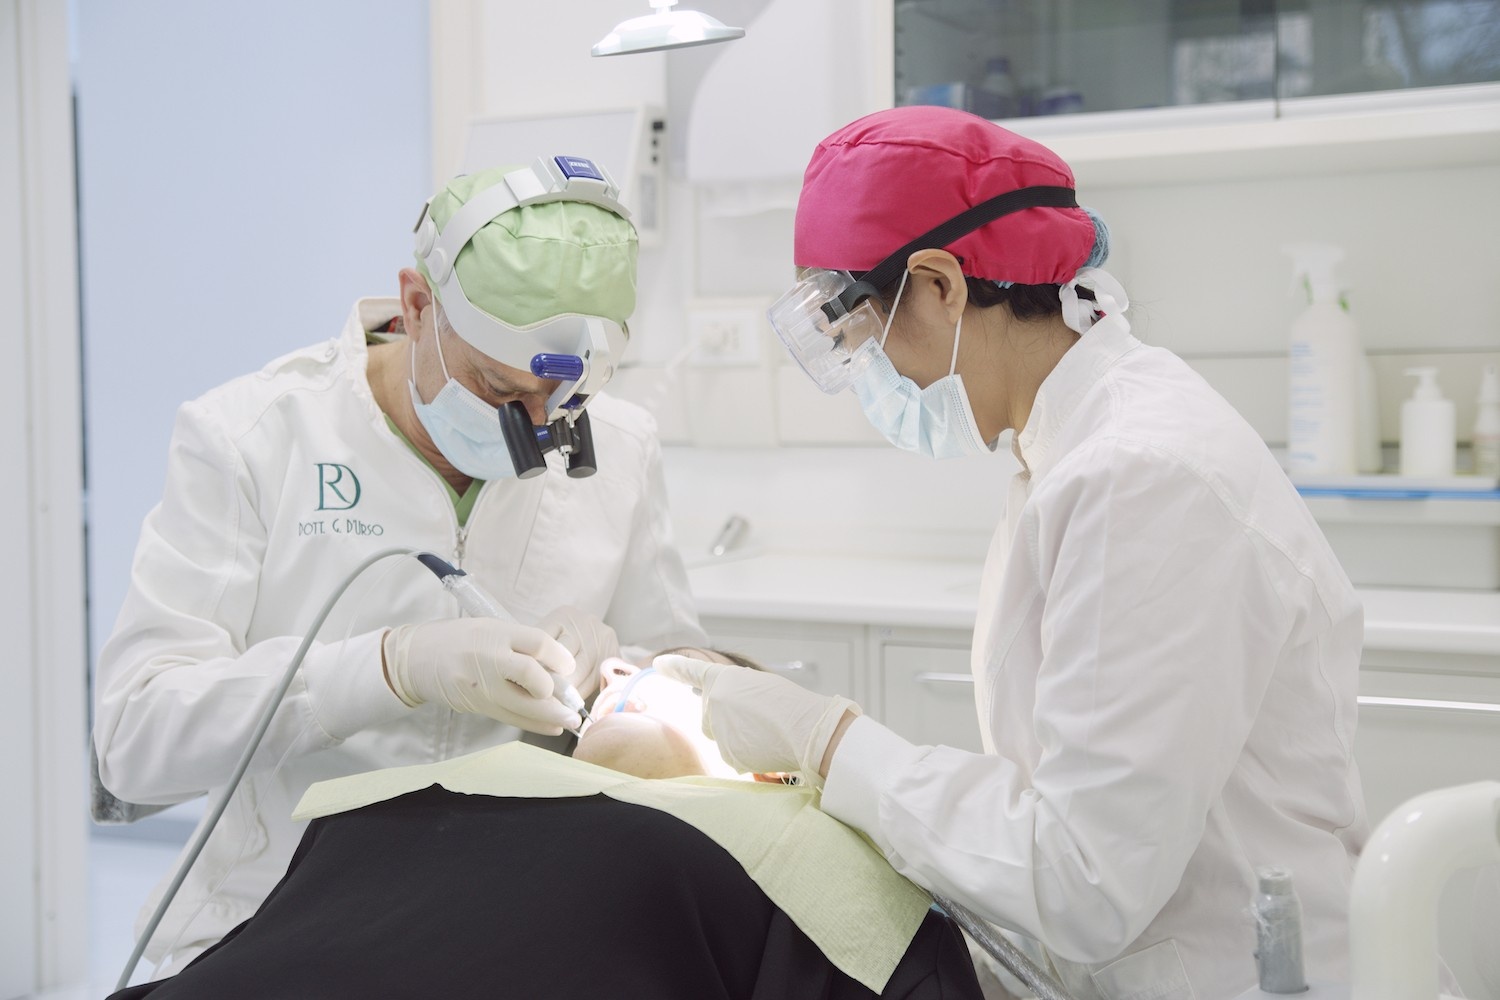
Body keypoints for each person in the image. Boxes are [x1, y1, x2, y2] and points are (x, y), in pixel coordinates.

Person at [655, 106, 1369, 1000]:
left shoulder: (1140, 475)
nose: (872, 376)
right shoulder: (1072, 444)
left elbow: (1085, 881)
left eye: (866, 338)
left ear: (941, 286)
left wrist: (827, 742)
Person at [92, 158, 707, 973]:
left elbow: (689, 687)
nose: (536, 430)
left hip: (515, 919)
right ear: (418, 306)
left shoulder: (622, 447)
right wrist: (387, 668)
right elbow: (135, 738)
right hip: (276, 923)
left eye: (564, 403)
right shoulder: (254, 437)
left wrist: (619, 675)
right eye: (499, 390)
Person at [103, 650, 986, 1000]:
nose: (615, 670)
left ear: (767, 757)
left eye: (672, 670)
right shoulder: (412, 798)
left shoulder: (786, 844)